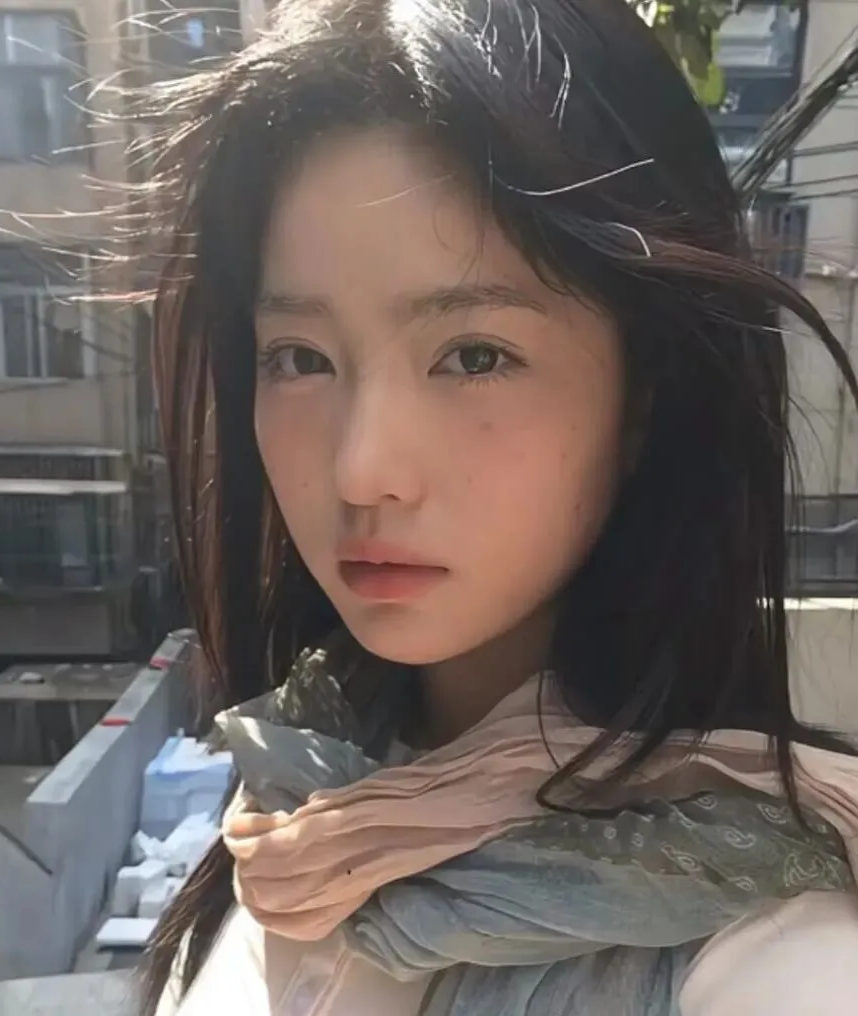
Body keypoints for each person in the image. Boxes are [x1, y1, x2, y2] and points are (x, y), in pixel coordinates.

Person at [141, 0, 858, 1012]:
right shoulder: (306, 786)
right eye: (299, 358)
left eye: (474, 355)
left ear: (645, 395)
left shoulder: (774, 961)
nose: (361, 471)